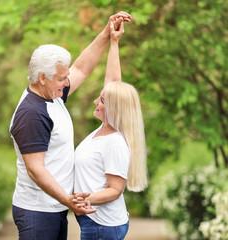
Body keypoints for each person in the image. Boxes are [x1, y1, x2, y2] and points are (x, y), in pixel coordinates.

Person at [9, 11, 132, 240]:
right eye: (61, 79)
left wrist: (107, 34)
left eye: (66, 77)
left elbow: (82, 68)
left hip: (54, 207)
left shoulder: (52, 94)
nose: (67, 84)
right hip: (38, 211)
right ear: (42, 77)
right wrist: (69, 201)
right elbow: (35, 170)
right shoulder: (32, 113)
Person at [73, 19, 148, 240]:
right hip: (96, 223)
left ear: (114, 108)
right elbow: (112, 81)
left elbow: (114, 190)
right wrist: (114, 42)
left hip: (102, 227)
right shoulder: (102, 131)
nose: (96, 100)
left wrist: (81, 200)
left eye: (102, 100)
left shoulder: (114, 142)